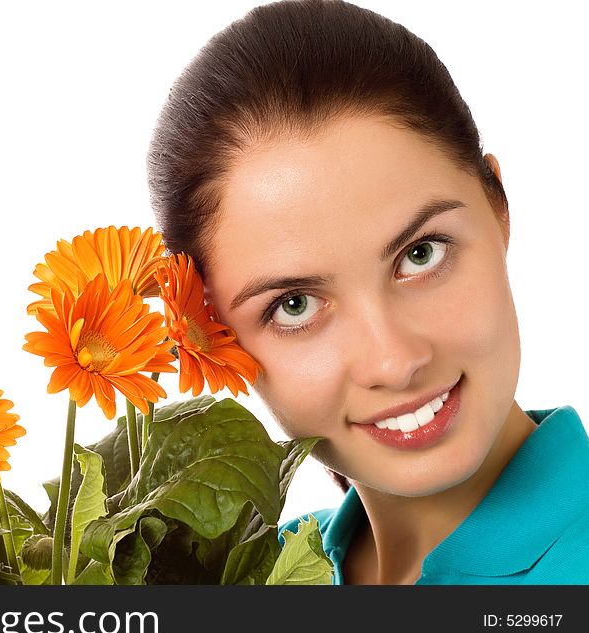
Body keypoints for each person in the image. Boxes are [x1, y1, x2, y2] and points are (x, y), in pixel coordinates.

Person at [145, 0, 589, 584]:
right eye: (294, 305)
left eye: (421, 254)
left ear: (498, 210)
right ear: (212, 337)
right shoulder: (226, 581)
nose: (395, 361)